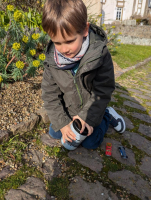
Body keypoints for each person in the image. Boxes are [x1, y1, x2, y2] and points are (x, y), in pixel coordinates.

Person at [41, 0, 126, 150]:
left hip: (92, 108)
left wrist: (88, 118)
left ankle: (107, 115)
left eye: (69, 41)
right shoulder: (51, 60)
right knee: (55, 133)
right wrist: (63, 123)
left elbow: (103, 90)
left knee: (90, 143)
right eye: (57, 43)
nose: (63, 49)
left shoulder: (100, 54)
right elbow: (50, 94)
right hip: (70, 109)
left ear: (85, 30)